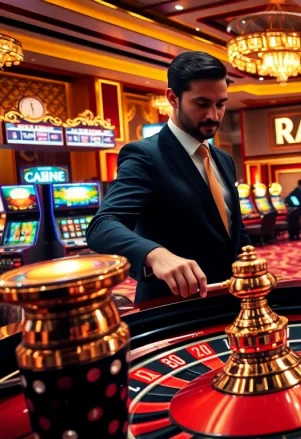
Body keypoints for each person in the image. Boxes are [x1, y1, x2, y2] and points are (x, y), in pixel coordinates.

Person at [87, 51, 249, 303]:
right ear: (173, 98)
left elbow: (231, 226)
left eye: (220, 104)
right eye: (202, 103)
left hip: (230, 297)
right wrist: (154, 253)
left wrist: (250, 261)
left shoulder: (223, 159)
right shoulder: (144, 155)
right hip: (172, 305)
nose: (213, 115)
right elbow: (102, 225)